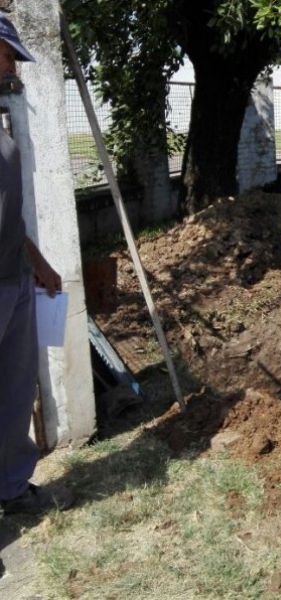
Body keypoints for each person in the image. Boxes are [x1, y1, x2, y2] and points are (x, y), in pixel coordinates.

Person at [0, 14, 70, 516]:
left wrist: (37, 261)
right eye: (5, 55)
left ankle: (11, 487)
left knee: (16, 389)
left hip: (14, 279)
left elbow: (8, 209)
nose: (11, 67)